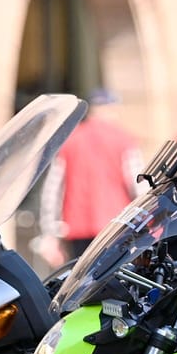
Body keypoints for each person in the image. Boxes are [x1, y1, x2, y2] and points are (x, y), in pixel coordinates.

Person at [36, 89, 143, 265]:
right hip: (116, 224)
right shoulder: (124, 140)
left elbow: (53, 189)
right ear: (112, 109)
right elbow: (137, 184)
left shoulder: (70, 140)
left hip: (77, 226)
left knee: (81, 280)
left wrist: (50, 231)